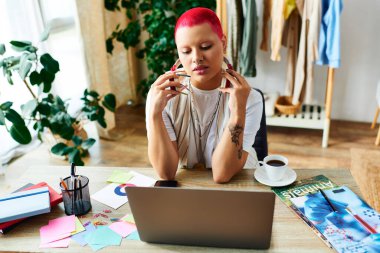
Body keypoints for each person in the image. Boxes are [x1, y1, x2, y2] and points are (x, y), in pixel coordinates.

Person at [146, 7, 263, 183]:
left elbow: (222, 174)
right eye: (186, 51)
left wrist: (237, 112)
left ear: (223, 43)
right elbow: (166, 174)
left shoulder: (250, 99)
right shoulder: (162, 95)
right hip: (189, 187)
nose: (196, 58)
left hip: (237, 183)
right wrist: (154, 115)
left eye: (205, 47)